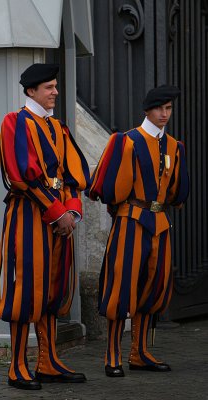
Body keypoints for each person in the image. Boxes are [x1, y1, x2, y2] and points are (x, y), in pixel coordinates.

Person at [0, 63, 90, 390]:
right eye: (49, 87)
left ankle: (48, 361)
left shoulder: (58, 128)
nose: (55, 92)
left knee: (53, 288)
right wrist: (57, 212)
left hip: (60, 218)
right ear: (31, 90)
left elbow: (75, 176)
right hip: (29, 216)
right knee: (26, 290)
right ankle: (17, 366)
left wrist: (72, 213)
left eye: (55, 86)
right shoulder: (15, 122)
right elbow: (21, 176)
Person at [87, 85, 189, 377]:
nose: (165, 114)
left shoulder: (174, 146)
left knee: (153, 287)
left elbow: (177, 192)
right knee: (122, 287)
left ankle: (139, 353)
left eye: (169, 109)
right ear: (147, 110)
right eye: (160, 108)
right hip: (130, 220)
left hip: (159, 223)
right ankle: (112, 355)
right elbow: (104, 188)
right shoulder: (126, 141)